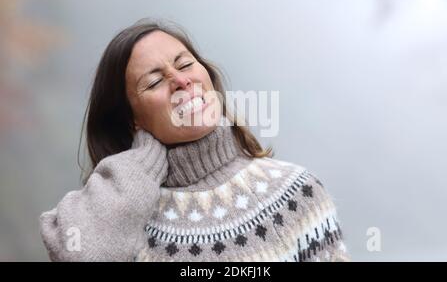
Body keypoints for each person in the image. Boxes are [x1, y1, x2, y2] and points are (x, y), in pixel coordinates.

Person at [39, 19, 350, 262]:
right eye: (155, 81)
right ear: (132, 117)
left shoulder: (295, 193)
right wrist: (140, 161)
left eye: (185, 64)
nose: (181, 80)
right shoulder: (120, 214)